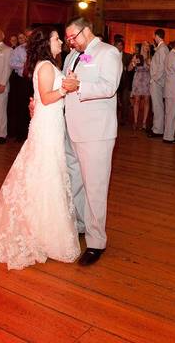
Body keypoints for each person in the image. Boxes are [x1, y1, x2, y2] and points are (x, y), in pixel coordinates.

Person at [0, 27, 81, 269]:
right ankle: (42, 233)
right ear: (46, 44)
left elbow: (40, 98)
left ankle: (41, 229)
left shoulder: (47, 65)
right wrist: (66, 88)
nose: (60, 41)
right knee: (47, 173)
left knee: (45, 174)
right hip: (47, 125)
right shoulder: (46, 66)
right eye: (56, 38)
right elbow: (48, 96)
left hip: (49, 121)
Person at [61, 17, 123, 266]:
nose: (70, 42)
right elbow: (65, 84)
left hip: (96, 132)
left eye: (73, 37)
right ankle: (80, 226)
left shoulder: (108, 53)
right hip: (72, 127)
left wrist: (79, 87)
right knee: (75, 181)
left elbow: (109, 87)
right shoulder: (72, 55)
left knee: (95, 187)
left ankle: (96, 242)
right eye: (68, 39)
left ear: (86, 31)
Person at [148, 29, 168, 138]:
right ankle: (156, 127)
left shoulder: (163, 48)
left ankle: (158, 130)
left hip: (157, 82)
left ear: (156, 36)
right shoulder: (161, 48)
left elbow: (162, 66)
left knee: (157, 106)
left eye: (154, 36)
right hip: (157, 81)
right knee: (156, 106)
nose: (154, 38)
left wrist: (154, 79)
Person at [129, 43, 151, 132]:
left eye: (148, 46)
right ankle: (135, 121)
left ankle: (144, 122)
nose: (146, 47)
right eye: (144, 45)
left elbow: (153, 70)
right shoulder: (136, 56)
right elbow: (129, 69)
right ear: (142, 47)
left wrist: (150, 65)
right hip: (138, 79)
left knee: (146, 100)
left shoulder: (151, 57)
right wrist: (133, 63)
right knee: (137, 100)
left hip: (147, 79)